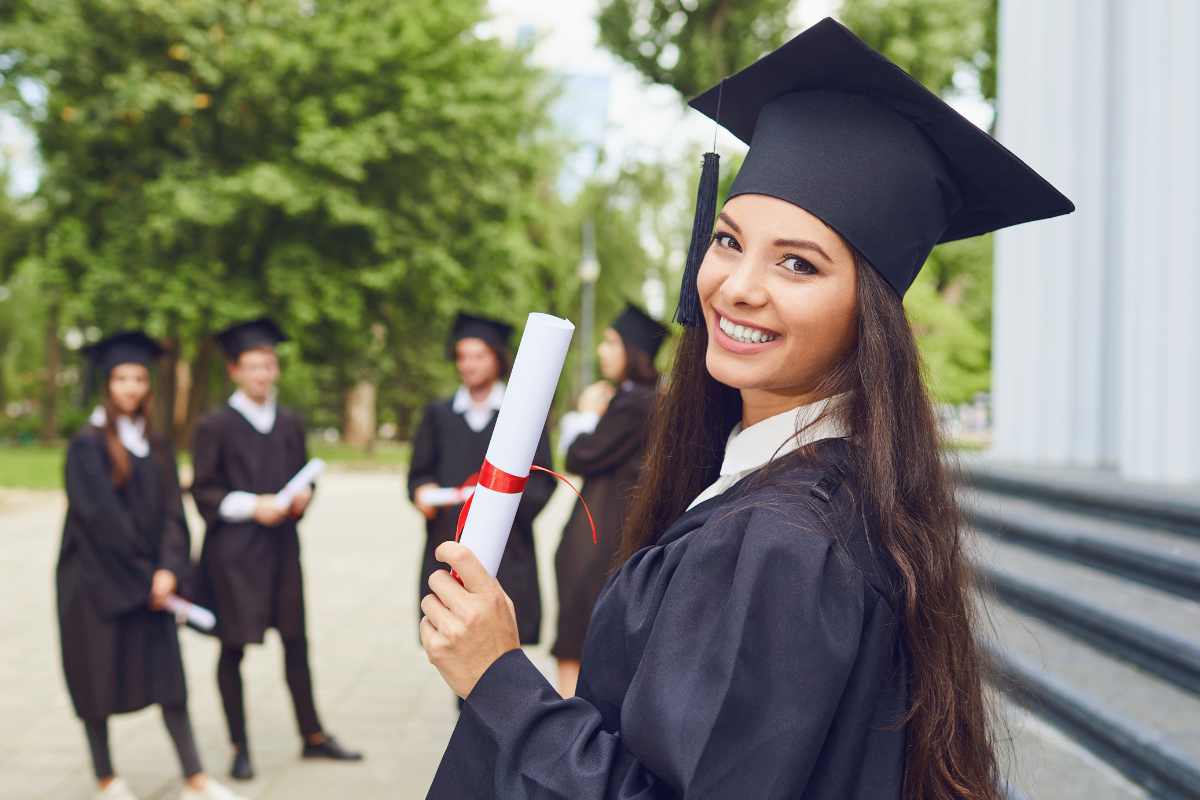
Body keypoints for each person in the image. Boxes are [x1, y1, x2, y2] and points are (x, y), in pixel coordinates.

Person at [419, 18, 1074, 799]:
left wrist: (497, 677)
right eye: (728, 241)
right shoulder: (833, 491)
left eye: (797, 263)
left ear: (869, 314)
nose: (737, 285)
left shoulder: (781, 545)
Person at [57, 331, 243, 800]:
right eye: (122, 378)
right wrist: (149, 577)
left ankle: (194, 777)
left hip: (152, 582)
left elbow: (172, 517)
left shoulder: (156, 444)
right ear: (108, 384)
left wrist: (169, 570)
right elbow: (102, 523)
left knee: (169, 681)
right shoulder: (85, 446)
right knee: (95, 678)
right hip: (96, 583)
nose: (132, 387)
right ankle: (106, 777)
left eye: (139, 378)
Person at [191, 318, 362, 782]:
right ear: (234, 371)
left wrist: (302, 500)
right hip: (234, 554)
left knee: (295, 641)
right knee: (233, 647)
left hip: (283, 549)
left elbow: (305, 475)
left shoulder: (288, 422)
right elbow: (204, 492)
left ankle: (313, 736)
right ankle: (239, 745)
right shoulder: (215, 425)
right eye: (253, 366)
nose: (263, 375)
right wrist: (253, 506)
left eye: (269, 366)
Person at [408, 312, 555, 650]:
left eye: (478, 356)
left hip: (508, 548)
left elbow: (543, 480)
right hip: (449, 540)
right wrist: (421, 493)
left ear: (497, 359)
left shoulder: (522, 416)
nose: (468, 365)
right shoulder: (439, 415)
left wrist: (499, 508)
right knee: (452, 636)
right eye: (462, 356)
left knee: (501, 645)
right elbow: (419, 473)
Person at [552, 303, 667, 697]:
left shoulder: (635, 401)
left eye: (611, 342)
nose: (603, 350)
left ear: (633, 351)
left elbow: (580, 455)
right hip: (613, 530)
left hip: (599, 534)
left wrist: (586, 414)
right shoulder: (650, 397)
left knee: (575, 635)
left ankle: (562, 732)